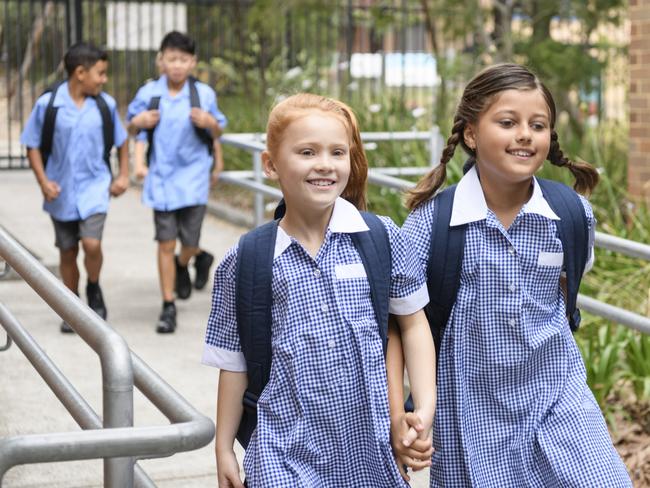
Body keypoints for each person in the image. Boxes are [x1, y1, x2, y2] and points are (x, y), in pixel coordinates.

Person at [390, 63, 631, 486]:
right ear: (470, 133)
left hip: (558, 397)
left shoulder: (571, 216)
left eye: (537, 125)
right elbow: (401, 324)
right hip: (467, 411)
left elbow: (566, 288)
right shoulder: (431, 224)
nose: (525, 134)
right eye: (507, 122)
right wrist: (400, 414)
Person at [202, 93, 436, 487]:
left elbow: (412, 326)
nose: (324, 164)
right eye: (307, 152)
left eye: (337, 152)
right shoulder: (247, 259)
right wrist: (224, 446)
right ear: (271, 164)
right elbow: (234, 360)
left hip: (369, 451)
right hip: (283, 450)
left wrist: (423, 409)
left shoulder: (380, 239)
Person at [20, 41, 129, 333]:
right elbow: (31, 145)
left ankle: (93, 285)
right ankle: (72, 307)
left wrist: (123, 176)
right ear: (80, 72)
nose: (104, 80)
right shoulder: (49, 105)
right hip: (61, 191)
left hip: (95, 187)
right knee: (67, 251)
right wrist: (43, 182)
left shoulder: (104, 105)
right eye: (101, 73)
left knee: (91, 244)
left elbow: (122, 142)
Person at [127, 31, 227, 333]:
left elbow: (217, 131)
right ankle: (168, 305)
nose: (177, 65)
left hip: (195, 178)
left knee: (190, 242)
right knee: (165, 243)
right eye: (172, 59)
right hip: (162, 181)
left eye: (183, 60)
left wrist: (211, 127)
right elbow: (134, 130)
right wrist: (138, 134)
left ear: (193, 62)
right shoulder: (149, 94)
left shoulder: (203, 94)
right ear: (161, 61)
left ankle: (191, 260)